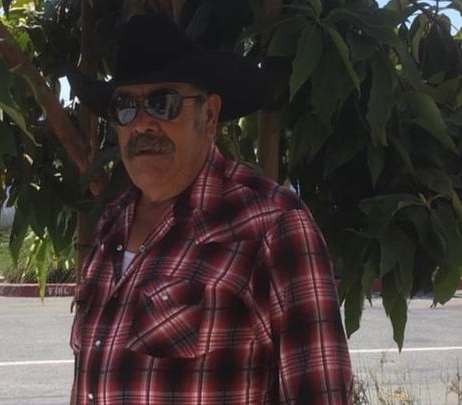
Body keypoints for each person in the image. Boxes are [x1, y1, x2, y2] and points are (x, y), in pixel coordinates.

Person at [68, 13, 353, 405]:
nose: (143, 125)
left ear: (210, 116)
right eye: (126, 107)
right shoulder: (111, 226)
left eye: (163, 104)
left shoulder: (272, 226)